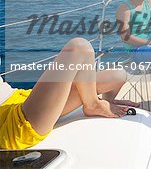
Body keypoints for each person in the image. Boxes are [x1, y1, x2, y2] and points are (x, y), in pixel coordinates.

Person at [0, 38, 138, 149]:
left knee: (117, 76)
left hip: (18, 98)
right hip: (12, 125)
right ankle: (92, 104)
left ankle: (101, 102)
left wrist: (108, 101)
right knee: (79, 47)